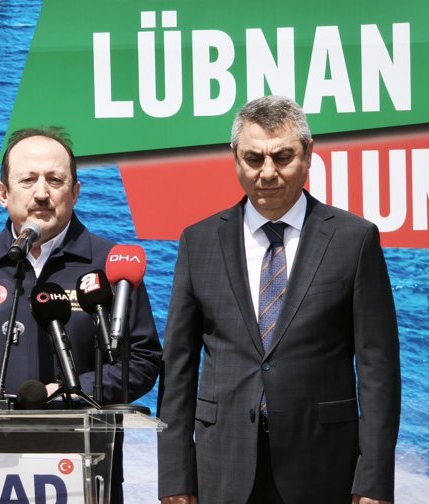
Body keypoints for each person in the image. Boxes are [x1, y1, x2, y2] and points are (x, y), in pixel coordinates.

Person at [157, 96, 401, 504]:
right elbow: (178, 368)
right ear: (235, 158)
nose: (267, 172)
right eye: (254, 159)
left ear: (308, 154)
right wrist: (176, 477)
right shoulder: (198, 242)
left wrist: (373, 481)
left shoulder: (353, 239)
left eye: (282, 157)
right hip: (223, 467)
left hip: (323, 468)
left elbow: (378, 369)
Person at [0, 126, 162, 502]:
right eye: (28, 180)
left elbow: (143, 361)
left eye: (55, 180)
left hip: (84, 470)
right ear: (2, 193)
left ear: (76, 192)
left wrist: (75, 394)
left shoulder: (110, 267)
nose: (41, 193)